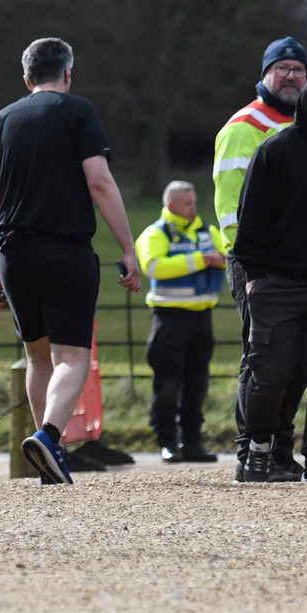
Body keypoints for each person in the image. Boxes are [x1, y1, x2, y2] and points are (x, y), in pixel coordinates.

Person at [0, 38, 140, 485]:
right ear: (68, 72)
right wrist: (127, 248)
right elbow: (99, 181)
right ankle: (49, 438)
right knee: (73, 357)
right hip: (65, 250)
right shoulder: (78, 111)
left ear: (26, 78)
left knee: (38, 357)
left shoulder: (2, 120)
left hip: (14, 254)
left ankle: (51, 458)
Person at [233, 69, 307, 483]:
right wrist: (254, 277)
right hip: (278, 282)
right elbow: (250, 218)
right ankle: (258, 447)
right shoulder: (275, 151)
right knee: (271, 375)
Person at [212, 36, 307, 482]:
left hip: (300, 264)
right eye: (282, 68)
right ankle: (250, 452)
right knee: (264, 358)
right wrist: (253, 265)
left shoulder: (306, 126)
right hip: (258, 264)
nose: (290, 76)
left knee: (300, 360)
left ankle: (279, 452)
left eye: (298, 69)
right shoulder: (243, 127)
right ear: (266, 73)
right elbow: (230, 209)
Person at [134, 181, 225, 464]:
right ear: (171, 205)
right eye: (187, 203)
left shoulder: (208, 231)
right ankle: (167, 442)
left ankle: (192, 443)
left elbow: (228, 255)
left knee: (197, 383)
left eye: (194, 202)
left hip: (202, 317)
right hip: (169, 317)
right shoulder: (155, 233)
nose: (193, 208)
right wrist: (202, 259)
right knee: (168, 383)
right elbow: (153, 267)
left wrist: (218, 259)